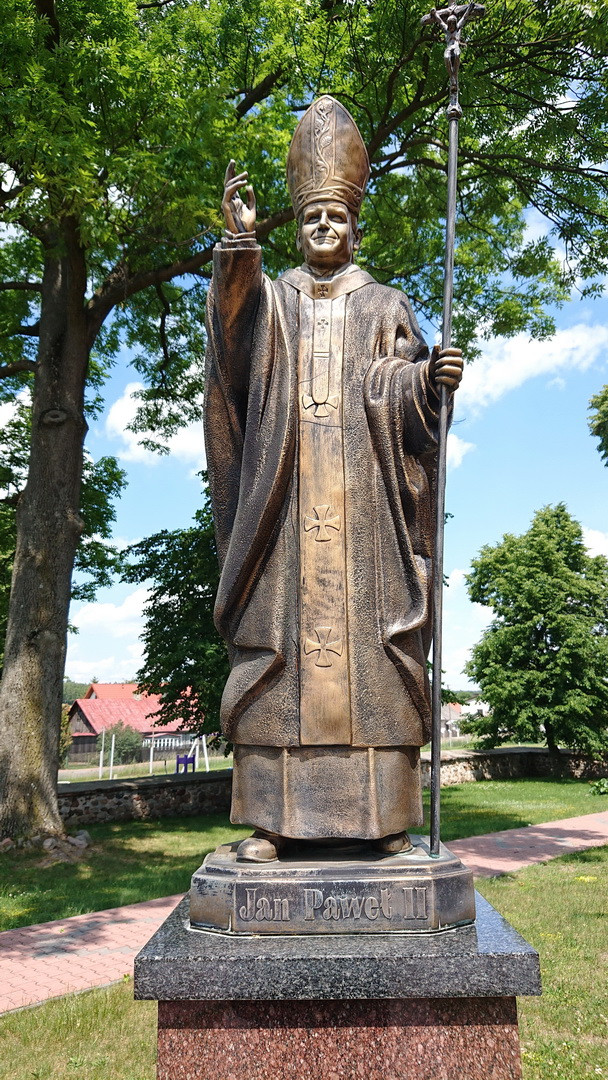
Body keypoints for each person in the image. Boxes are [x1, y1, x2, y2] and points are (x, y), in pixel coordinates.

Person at [204, 96, 463, 862]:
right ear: (297, 225)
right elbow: (232, 346)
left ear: (356, 226)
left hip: (365, 521)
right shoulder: (274, 300)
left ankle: (385, 822)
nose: (323, 226)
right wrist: (239, 247)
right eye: (312, 216)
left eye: (336, 217)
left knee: (378, 659)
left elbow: (398, 386)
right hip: (286, 513)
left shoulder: (384, 304)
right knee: (277, 662)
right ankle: (272, 824)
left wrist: (428, 383)